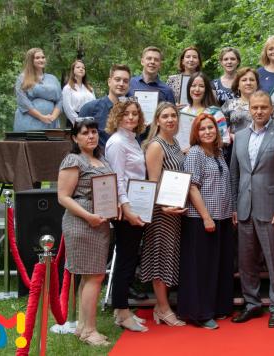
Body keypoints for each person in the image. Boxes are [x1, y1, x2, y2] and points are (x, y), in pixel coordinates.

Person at [230, 91, 274, 328]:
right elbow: (235, 175)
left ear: (271, 109)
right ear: (249, 109)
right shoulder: (239, 137)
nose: (259, 111)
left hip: (272, 209)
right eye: (255, 107)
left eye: (263, 107)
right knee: (246, 262)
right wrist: (233, 207)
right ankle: (252, 304)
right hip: (244, 208)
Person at [57, 118, 112, 346]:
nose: (91, 136)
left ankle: (82, 327)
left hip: (101, 223)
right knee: (95, 276)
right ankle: (90, 331)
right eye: (84, 133)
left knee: (91, 276)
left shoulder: (100, 159)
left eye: (93, 132)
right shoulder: (73, 159)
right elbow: (63, 197)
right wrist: (88, 216)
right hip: (83, 223)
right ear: (75, 138)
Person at [178, 113, 234, 329]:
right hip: (201, 219)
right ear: (195, 133)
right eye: (202, 129)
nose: (208, 131)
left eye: (211, 127)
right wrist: (206, 217)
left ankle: (217, 307)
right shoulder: (195, 153)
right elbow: (192, 187)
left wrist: (231, 212)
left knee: (217, 265)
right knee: (200, 267)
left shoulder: (218, 154)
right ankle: (199, 313)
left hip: (223, 217)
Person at [140, 102, 186, 327]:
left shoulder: (174, 142)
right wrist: (162, 206)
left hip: (174, 210)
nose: (170, 120)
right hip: (161, 212)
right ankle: (164, 308)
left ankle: (160, 306)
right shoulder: (156, 145)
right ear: (157, 120)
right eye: (165, 116)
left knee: (169, 257)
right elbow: (153, 182)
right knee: (160, 258)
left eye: (173, 116)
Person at [105, 100, 148, 332]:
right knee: (125, 260)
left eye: (134, 114)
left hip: (137, 206)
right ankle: (121, 312)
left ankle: (123, 309)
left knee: (130, 258)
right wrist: (128, 209)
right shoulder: (117, 142)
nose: (131, 117)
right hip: (126, 210)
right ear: (117, 116)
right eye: (126, 114)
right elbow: (117, 179)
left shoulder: (132, 139)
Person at [80, 64, 131, 149]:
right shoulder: (90, 109)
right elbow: (79, 141)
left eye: (125, 81)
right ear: (109, 82)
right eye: (117, 80)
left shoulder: (131, 113)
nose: (121, 84)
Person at [14, 48, 62, 131]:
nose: (41, 60)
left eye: (43, 57)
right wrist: (41, 117)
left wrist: (53, 117)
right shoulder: (23, 78)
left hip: (50, 123)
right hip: (27, 123)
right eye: (37, 58)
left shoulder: (52, 78)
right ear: (30, 60)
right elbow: (23, 101)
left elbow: (60, 100)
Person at [221, 67, 260, 135]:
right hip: (236, 144)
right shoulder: (229, 104)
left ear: (257, 85)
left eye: (252, 80)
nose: (248, 83)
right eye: (244, 80)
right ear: (238, 85)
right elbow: (220, 128)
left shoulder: (266, 103)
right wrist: (229, 136)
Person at [62, 60, 96, 125]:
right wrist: (78, 122)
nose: (81, 69)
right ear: (73, 70)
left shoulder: (90, 88)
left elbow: (94, 105)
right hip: (75, 120)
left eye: (83, 68)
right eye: (78, 67)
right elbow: (67, 108)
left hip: (89, 120)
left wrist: (92, 120)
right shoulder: (68, 88)